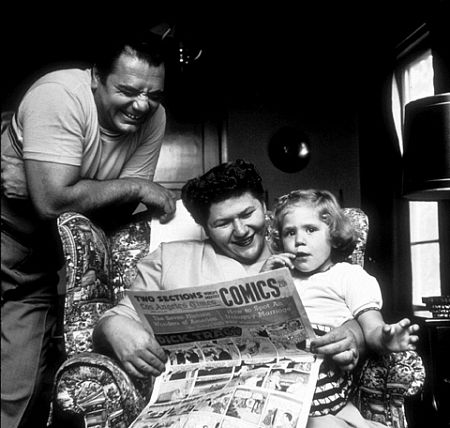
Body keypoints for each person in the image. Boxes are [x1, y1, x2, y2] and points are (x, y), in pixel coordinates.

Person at [1, 29, 177, 428]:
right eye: (128, 90)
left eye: (154, 94)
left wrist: (43, 188)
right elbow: (54, 202)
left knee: (19, 389)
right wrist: (134, 185)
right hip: (5, 232)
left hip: (43, 260)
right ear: (96, 76)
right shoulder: (60, 94)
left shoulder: (154, 117)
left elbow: (116, 216)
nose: (142, 104)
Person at [93, 160, 366, 402]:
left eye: (248, 214)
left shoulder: (302, 253)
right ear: (204, 227)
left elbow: (350, 305)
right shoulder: (169, 258)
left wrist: (352, 337)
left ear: (263, 206)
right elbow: (118, 317)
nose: (241, 230)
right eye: (223, 223)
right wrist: (114, 328)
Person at [261, 189, 420, 428]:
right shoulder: (279, 276)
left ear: (333, 235)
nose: (299, 240)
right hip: (277, 365)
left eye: (311, 229)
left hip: (324, 365)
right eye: (289, 232)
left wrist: (386, 339)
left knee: (315, 421)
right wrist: (262, 281)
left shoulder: (348, 276)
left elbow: (372, 326)